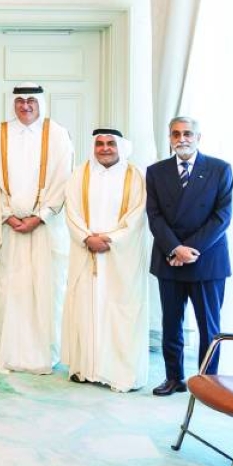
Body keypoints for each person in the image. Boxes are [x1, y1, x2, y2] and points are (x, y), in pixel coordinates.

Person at [0, 83, 74, 374]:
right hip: (9, 228)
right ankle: (8, 353)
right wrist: (8, 214)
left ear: (40, 103)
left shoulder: (58, 135)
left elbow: (64, 180)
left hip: (45, 228)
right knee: (9, 291)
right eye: (20, 101)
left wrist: (40, 216)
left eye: (31, 101)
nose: (25, 106)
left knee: (44, 289)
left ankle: (42, 356)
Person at [146, 116, 233, 396]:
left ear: (198, 137)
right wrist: (175, 248)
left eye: (187, 134)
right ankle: (174, 378)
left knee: (209, 326)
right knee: (171, 323)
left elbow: (222, 217)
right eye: (175, 134)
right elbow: (155, 216)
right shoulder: (156, 171)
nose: (181, 139)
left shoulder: (220, 169)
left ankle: (208, 383)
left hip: (206, 260)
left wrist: (189, 250)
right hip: (169, 257)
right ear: (169, 139)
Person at [61, 129, 149, 392]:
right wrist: (87, 238)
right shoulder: (79, 174)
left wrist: (110, 239)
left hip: (121, 257)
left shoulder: (136, 177)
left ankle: (119, 372)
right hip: (86, 253)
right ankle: (85, 368)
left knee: (120, 311)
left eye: (111, 143)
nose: (105, 148)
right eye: (99, 144)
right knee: (85, 307)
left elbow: (136, 216)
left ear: (120, 146)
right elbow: (72, 212)